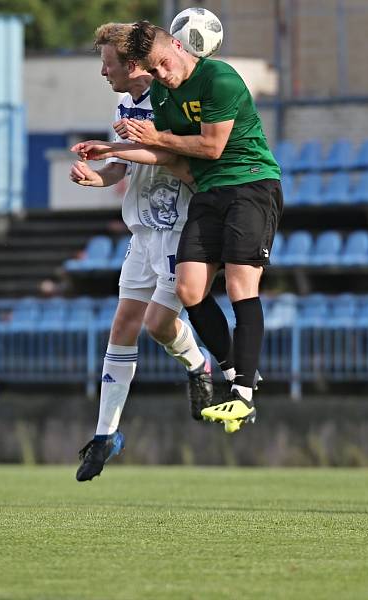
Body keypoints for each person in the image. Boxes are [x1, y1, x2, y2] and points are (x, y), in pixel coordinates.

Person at [80, 21, 283, 433]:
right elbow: (165, 153)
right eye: (153, 72)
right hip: (208, 191)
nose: (161, 77)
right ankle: (228, 372)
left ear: (178, 45)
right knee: (191, 290)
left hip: (249, 182)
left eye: (162, 66)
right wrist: (113, 150)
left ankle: (243, 392)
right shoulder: (162, 94)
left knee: (242, 286)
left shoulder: (219, 78)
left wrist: (153, 138)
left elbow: (211, 147)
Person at [71, 23, 213, 482]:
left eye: (107, 63)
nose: (101, 71)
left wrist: (118, 147)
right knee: (123, 324)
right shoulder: (125, 100)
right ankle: (105, 433)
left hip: (179, 229)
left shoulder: (168, 96)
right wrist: (101, 175)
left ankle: (198, 365)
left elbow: (169, 154)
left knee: (157, 325)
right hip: (143, 230)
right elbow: (124, 167)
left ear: (132, 64)